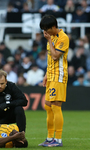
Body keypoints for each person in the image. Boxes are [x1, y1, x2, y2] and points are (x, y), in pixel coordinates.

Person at [39, 14, 69, 147]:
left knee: (56, 106)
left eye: (46, 29)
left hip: (59, 75)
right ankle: (49, 137)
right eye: (43, 29)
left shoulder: (63, 38)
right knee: (48, 106)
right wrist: (46, 74)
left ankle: (58, 139)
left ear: (53, 27)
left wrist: (49, 41)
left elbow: (56, 56)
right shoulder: (51, 37)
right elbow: (50, 58)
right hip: (51, 75)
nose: (45, 32)